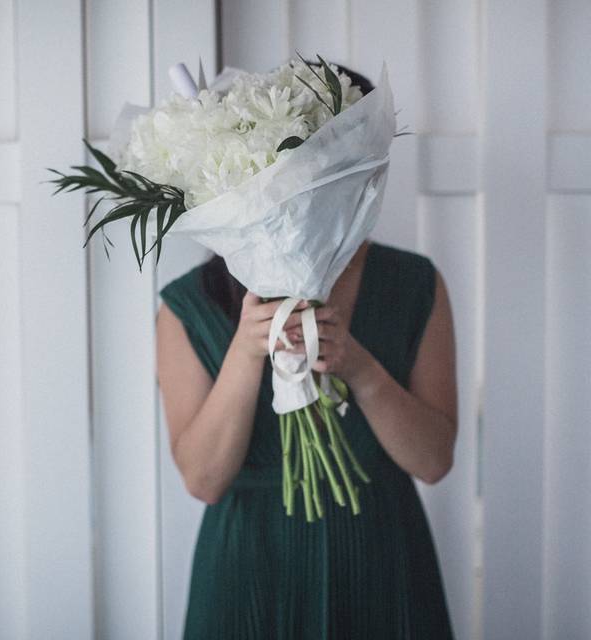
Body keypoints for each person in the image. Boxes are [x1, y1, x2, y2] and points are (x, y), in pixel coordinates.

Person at [155, 65, 457, 639]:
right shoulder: (186, 307)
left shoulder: (416, 284)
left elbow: (435, 460)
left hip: (382, 561)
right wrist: (246, 353)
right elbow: (203, 480)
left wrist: (360, 368)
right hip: (248, 568)